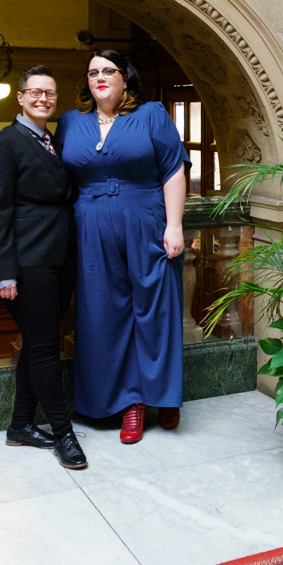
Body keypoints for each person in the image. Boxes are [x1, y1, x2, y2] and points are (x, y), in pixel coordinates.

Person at [55, 49, 189, 443]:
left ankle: (163, 397)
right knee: (101, 315)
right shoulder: (69, 122)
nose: (100, 77)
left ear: (125, 78)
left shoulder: (151, 116)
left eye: (108, 71)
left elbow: (173, 170)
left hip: (147, 221)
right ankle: (126, 403)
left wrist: (176, 225)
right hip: (90, 228)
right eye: (93, 72)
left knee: (156, 309)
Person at [0, 65, 87, 468]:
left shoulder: (54, 141)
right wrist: (3, 271)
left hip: (59, 257)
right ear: (21, 98)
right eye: (36, 92)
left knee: (37, 341)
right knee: (45, 348)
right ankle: (64, 435)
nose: (44, 99)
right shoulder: (3, 144)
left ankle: (20, 425)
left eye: (51, 94)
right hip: (27, 263)